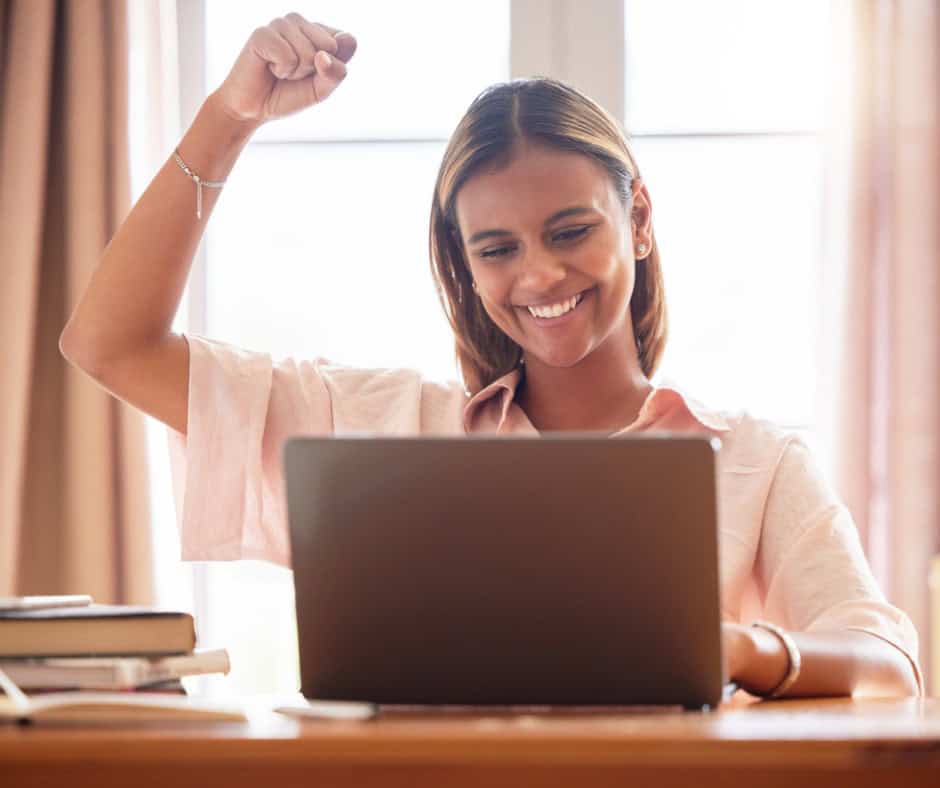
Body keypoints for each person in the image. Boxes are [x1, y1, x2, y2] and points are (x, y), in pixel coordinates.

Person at [60, 12, 922, 700]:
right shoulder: (386, 430)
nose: (539, 274)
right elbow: (109, 343)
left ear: (641, 220)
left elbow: (886, 662)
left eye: (572, 231)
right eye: (497, 249)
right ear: (465, 267)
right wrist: (229, 117)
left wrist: (734, 648)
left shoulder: (759, 463)